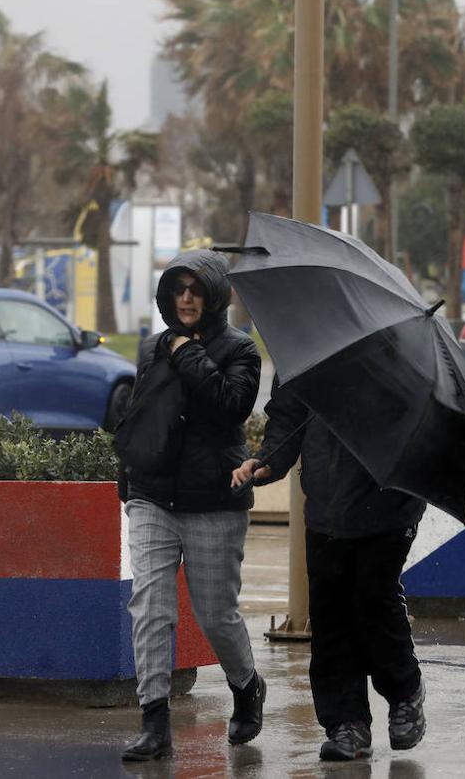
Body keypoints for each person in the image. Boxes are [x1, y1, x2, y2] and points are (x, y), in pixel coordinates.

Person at [113, 249, 265, 761]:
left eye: (196, 289)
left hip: (213, 500)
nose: (185, 298)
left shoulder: (240, 350)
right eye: (177, 289)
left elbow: (231, 404)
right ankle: (154, 722)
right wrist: (128, 480)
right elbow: (141, 417)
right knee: (151, 607)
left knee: (215, 614)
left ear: (215, 295)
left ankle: (246, 685)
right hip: (153, 495)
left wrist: (186, 353)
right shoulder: (153, 347)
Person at [232, 384, 427, 762]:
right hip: (327, 503)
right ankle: (346, 723)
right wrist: (270, 460)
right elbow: (288, 413)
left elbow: (421, 419)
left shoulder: (394, 350)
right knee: (331, 612)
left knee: (373, 600)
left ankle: (405, 691)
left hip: (390, 502)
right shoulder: (310, 341)